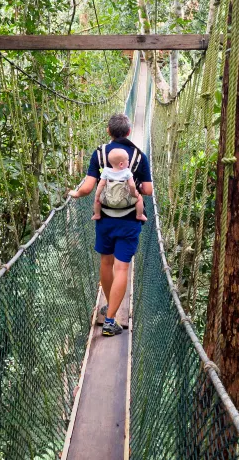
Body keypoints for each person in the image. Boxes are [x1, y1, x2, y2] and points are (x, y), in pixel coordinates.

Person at [69, 113, 152, 337]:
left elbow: (88, 187)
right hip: (129, 220)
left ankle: (109, 307)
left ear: (108, 131)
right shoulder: (139, 156)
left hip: (104, 218)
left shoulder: (99, 154)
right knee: (122, 267)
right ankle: (111, 320)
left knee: (106, 262)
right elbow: (148, 190)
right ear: (128, 132)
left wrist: (74, 194)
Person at [91, 147, 147, 222]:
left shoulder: (106, 171)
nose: (128, 162)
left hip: (108, 201)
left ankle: (97, 214)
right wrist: (134, 193)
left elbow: (101, 184)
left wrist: (97, 196)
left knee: (97, 200)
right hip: (125, 201)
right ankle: (139, 215)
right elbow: (132, 185)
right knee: (139, 198)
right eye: (127, 160)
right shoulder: (127, 172)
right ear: (121, 164)